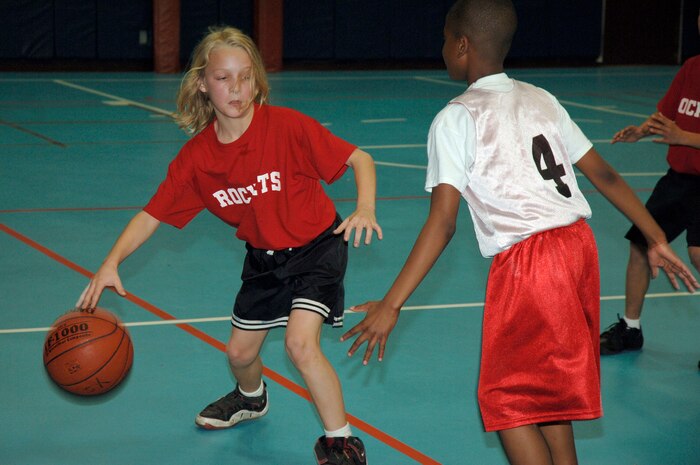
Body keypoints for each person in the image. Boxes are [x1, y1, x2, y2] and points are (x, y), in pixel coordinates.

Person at [340, 1, 699, 464]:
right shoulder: (540, 98)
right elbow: (604, 175)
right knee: (546, 387)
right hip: (577, 250)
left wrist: (392, 304)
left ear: (463, 45)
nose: (443, 48)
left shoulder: (457, 117)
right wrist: (655, 235)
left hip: (532, 262)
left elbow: (443, 222)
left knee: (506, 400)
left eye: (446, 40)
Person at [76, 26, 380, 465]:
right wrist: (111, 262)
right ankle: (251, 398)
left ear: (257, 80)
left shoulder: (287, 127)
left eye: (245, 77)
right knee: (238, 353)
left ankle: (341, 443)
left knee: (300, 344)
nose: (236, 88)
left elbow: (360, 158)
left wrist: (365, 207)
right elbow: (152, 214)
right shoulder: (198, 160)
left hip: (318, 246)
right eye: (223, 78)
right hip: (265, 258)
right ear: (202, 82)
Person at [599, 9, 700, 355]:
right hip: (678, 180)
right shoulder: (691, 68)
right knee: (642, 244)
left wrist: (684, 137)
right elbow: (666, 114)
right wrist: (642, 131)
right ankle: (630, 329)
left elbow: (679, 131)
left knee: (698, 254)